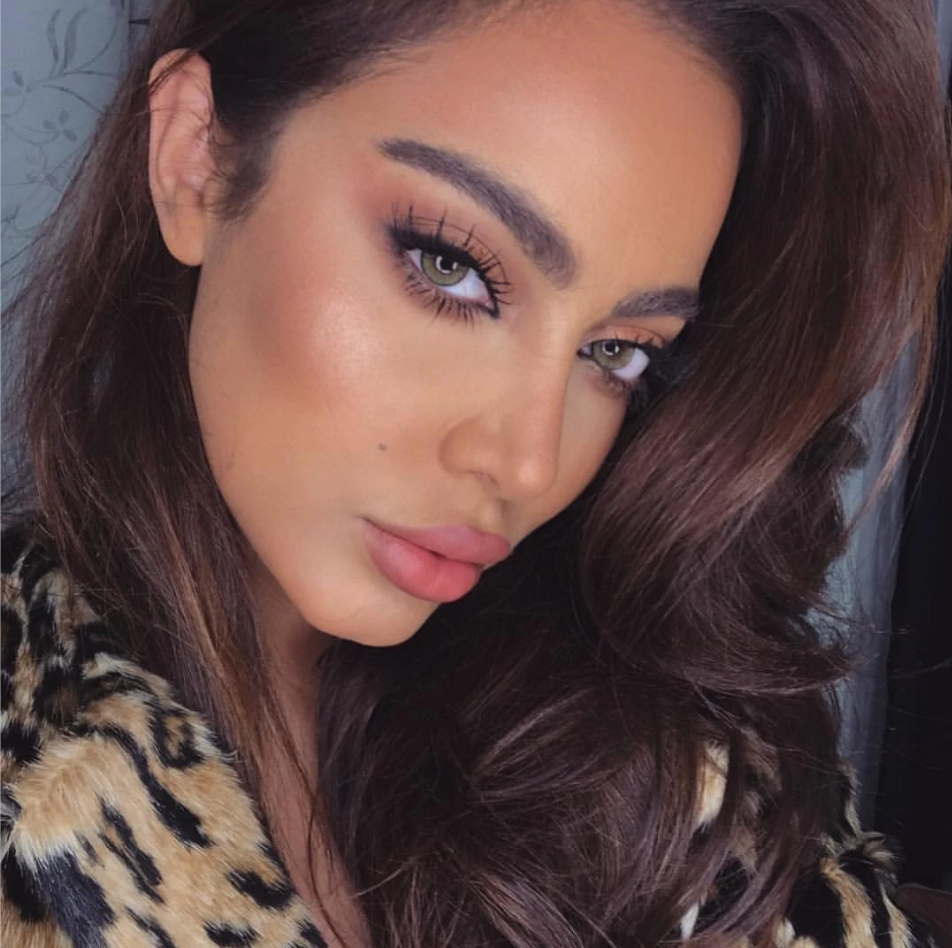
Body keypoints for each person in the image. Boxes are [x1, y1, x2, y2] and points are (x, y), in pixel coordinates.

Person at [2, 0, 949, 946]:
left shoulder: (681, 772)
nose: (529, 463)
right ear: (193, 159)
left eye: (617, 352)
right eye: (450, 265)